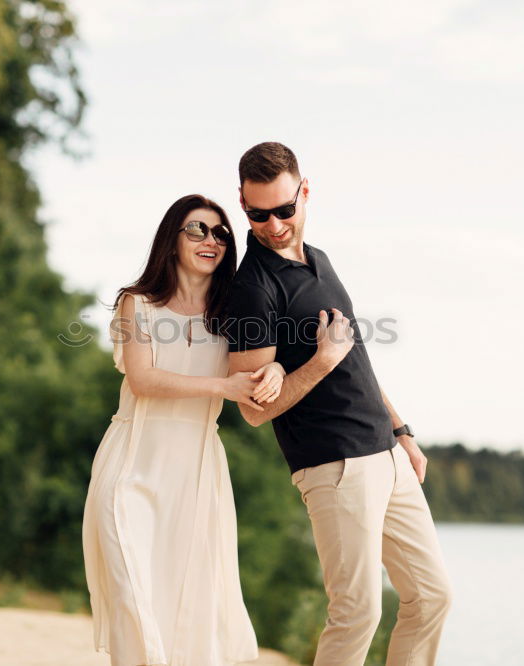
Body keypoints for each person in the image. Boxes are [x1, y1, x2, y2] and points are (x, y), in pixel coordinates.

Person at [223, 142, 453, 666]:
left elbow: (357, 359)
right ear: (242, 203)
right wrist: (319, 363)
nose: (274, 225)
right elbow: (254, 410)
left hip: (387, 455)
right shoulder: (252, 290)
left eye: (284, 209)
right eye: (258, 214)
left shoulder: (320, 260)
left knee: (432, 596)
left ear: (305, 192)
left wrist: (402, 431)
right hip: (334, 465)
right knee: (356, 614)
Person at [82, 193, 282, 666]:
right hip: (132, 464)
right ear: (172, 240)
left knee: (190, 605)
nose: (210, 240)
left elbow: (263, 368)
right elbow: (143, 379)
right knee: (132, 594)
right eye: (197, 229)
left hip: (195, 475)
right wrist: (225, 385)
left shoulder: (234, 313)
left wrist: (273, 372)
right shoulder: (137, 304)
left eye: (219, 233)